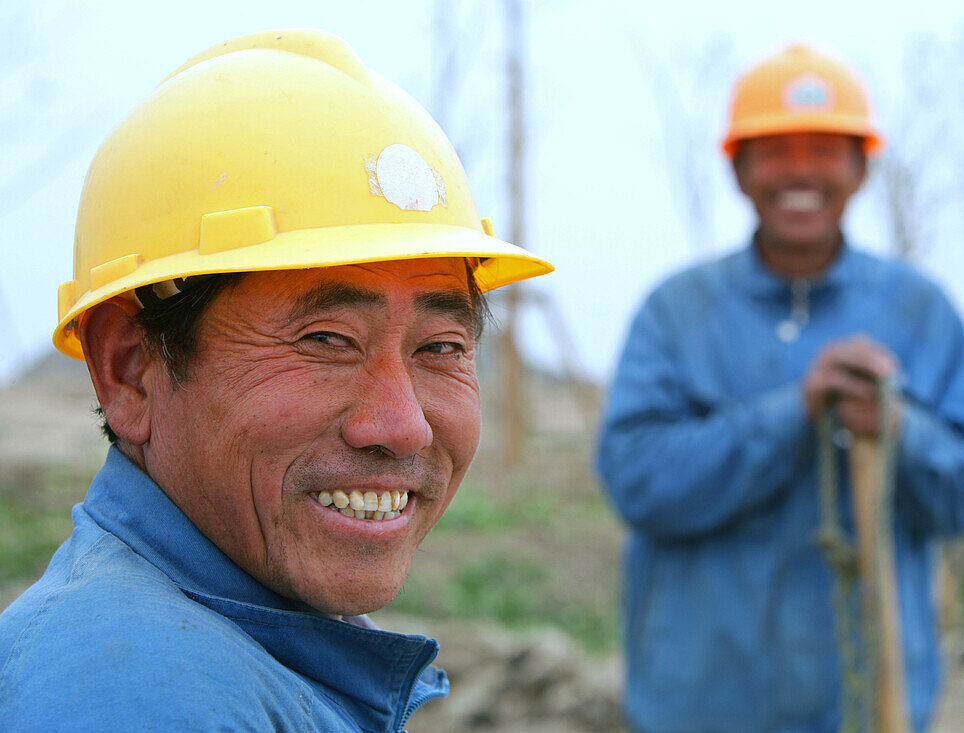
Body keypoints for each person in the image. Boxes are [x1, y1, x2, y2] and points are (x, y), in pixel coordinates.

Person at [0, 30, 551, 731]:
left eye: (441, 346)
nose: (403, 424)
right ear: (129, 368)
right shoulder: (137, 692)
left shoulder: (250, 646)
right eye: (327, 340)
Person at [596, 44, 964, 733]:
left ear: (862, 167)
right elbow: (637, 480)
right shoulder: (679, 313)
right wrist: (795, 412)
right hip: (699, 705)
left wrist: (900, 428)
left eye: (824, 149)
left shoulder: (918, 313)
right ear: (739, 168)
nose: (802, 171)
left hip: (864, 705)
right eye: (777, 150)